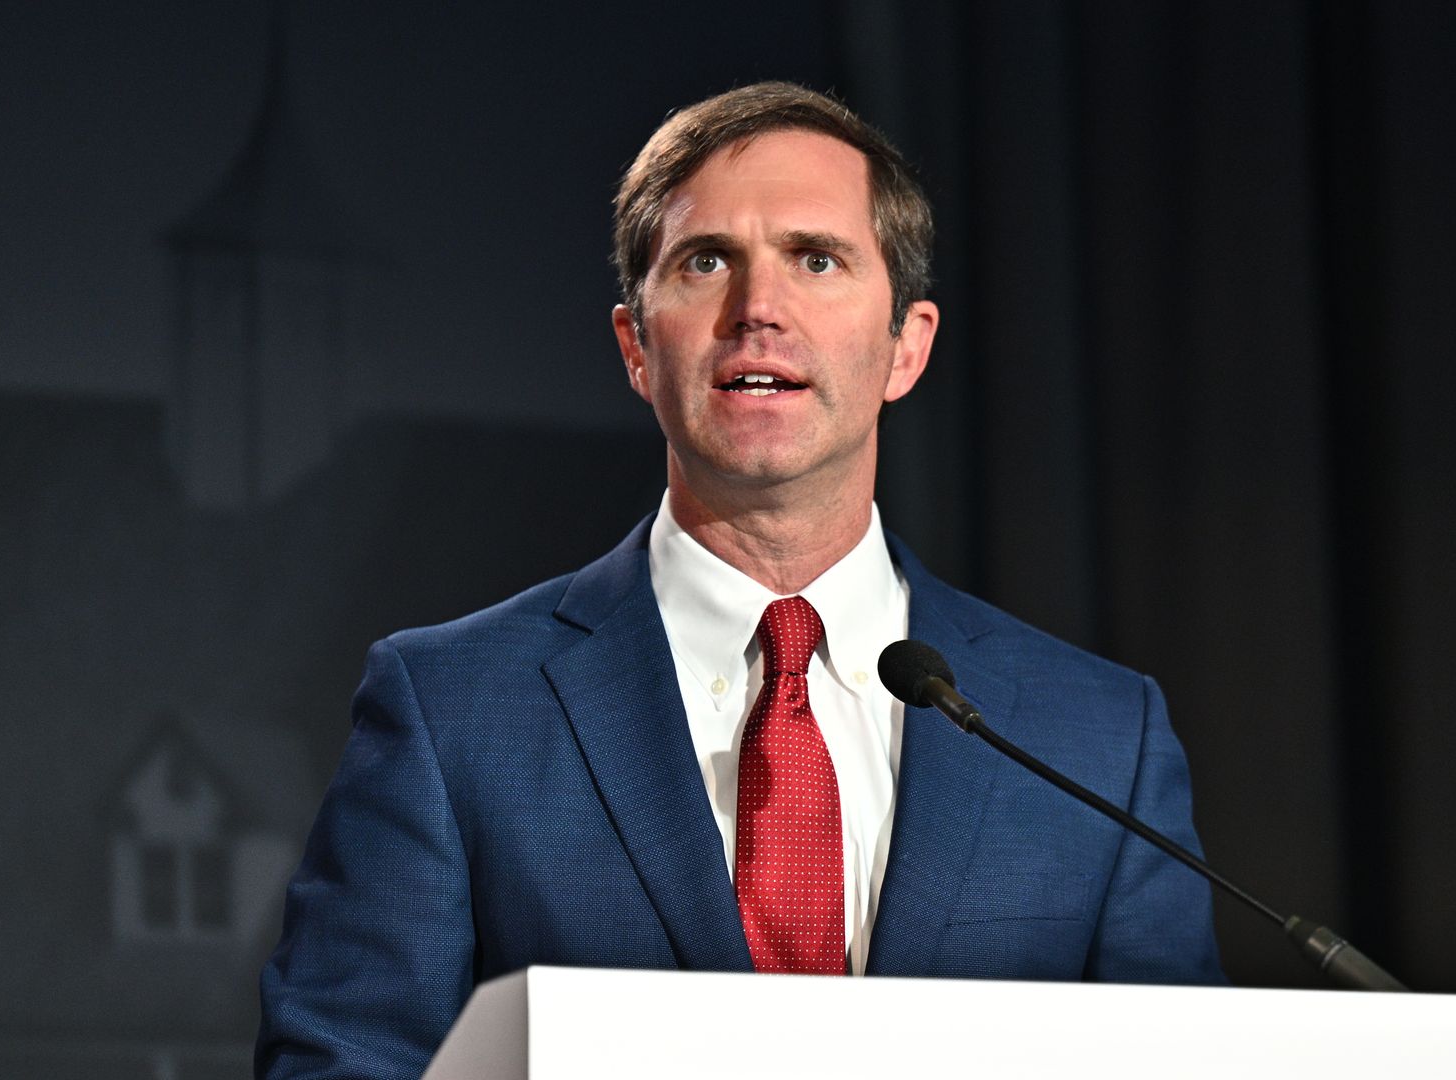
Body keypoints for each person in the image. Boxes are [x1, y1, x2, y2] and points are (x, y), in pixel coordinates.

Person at [256, 81, 1223, 1080]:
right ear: (636, 345)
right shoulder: (452, 711)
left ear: (907, 345)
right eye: (706, 260)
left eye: (817, 258)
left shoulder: (1099, 740)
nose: (758, 309)